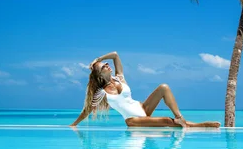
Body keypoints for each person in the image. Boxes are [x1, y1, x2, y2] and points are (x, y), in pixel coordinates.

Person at [70, 51, 220, 128]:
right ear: (99, 75)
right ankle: (199, 125)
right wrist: (74, 124)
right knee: (167, 121)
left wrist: (98, 59)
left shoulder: (119, 77)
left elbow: (115, 55)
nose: (108, 65)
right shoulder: (102, 93)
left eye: (106, 64)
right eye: (104, 66)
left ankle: (180, 118)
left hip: (143, 108)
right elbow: (87, 110)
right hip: (133, 120)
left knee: (164, 87)